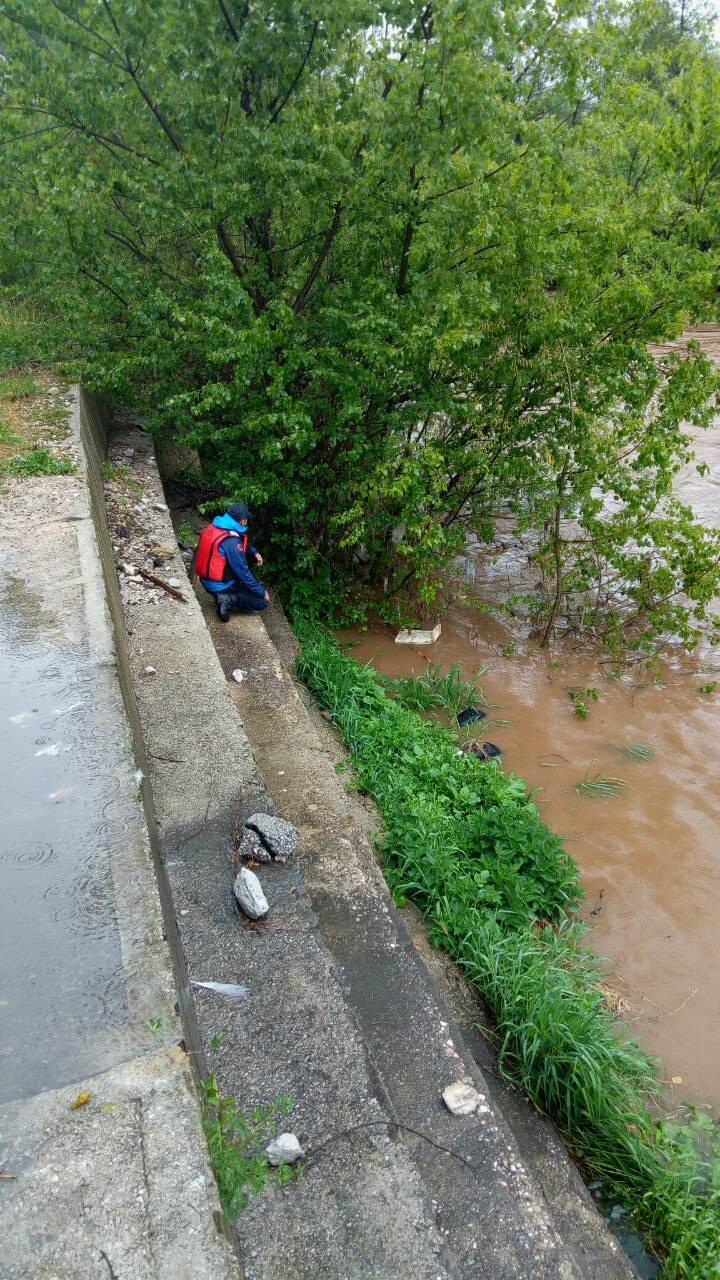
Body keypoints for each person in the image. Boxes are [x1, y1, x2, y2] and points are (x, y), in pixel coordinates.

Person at [195, 502, 269, 622]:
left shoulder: (216, 527)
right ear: (242, 521)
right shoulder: (232, 542)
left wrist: (254, 552)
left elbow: (240, 540)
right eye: (246, 520)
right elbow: (243, 573)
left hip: (206, 581)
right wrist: (261, 592)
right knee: (262, 602)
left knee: (252, 587)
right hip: (221, 586)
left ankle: (222, 596)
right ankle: (227, 599)